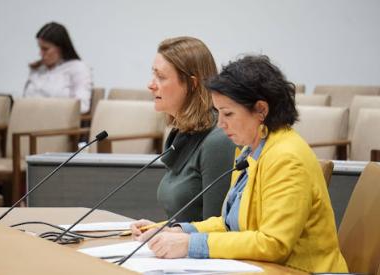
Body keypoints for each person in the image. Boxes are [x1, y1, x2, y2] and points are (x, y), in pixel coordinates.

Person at [131, 55, 348, 273]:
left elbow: (273, 244)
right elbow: (229, 224)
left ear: (261, 110)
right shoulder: (250, 150)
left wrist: (190, 245)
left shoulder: (287, 158)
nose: (221, 124)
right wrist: (176, 230)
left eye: (228, 113)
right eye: (218, 113)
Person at [141, 36, 236, 223]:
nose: (151, 85)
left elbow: (217, 228)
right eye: (153, 75)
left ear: (192, 84)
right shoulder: (183, 133)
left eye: (161, 77)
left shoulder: (218, 140)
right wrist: (156, 229)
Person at [23, 22, 92, 113]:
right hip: (28, 119)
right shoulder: (38, 68)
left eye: (45, 49)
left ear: (60, 48)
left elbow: (82, 106)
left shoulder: (78, 68)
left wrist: (48, 109)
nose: (40, 54)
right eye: (39, 48)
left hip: (57, 123)